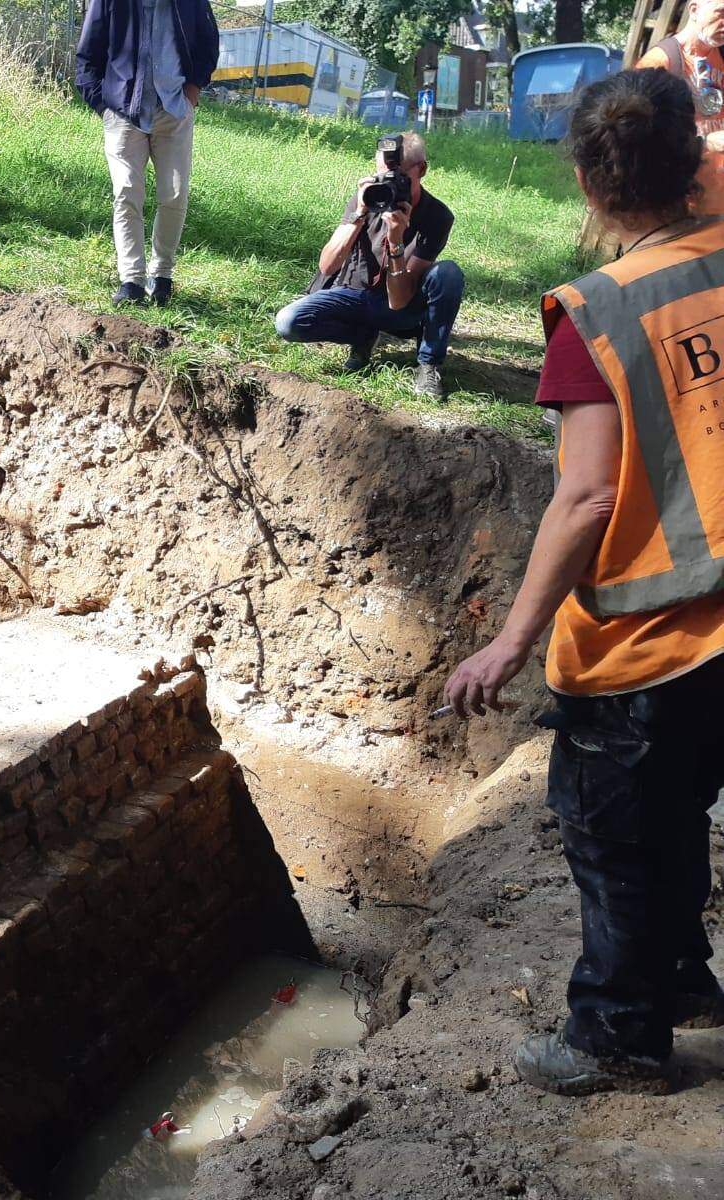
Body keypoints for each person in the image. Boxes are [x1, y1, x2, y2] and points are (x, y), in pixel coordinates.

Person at [441, 68, 724, 1096]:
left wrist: (513, 638)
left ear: (587, 184)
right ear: (694, 160)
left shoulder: (597, 314)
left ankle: (617, 1037)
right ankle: (685, 976)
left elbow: (587, 500)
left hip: (646, 641)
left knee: (612, 839)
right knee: (684, 811)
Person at [273, 132, 464, 399]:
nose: (388, 182)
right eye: (382, 171)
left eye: (398, 176)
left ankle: (428, 364)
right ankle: (361, 336)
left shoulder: (437, 216)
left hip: (400, 310)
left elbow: (399, 301)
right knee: (288, 322)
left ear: (421, 169)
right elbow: (327, 267)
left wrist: (395, 240)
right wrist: (359, 214)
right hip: (354, 295)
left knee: (448, 274)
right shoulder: (367, 196)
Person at [75, 0, 220, 307]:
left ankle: (162, 275)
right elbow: (87, 56)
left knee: (175, 194)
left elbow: (209, 42)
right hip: (123, 112)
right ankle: (131, 280)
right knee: (127, 191)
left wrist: (193, 90)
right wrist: (104, 107)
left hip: (175, 111)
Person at [637, 0, 724, 214]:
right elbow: (637, 138)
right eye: (721, 13)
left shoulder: (721, 54)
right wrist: (703, 142)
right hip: (684, 203)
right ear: (694, 10)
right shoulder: (658, 63)